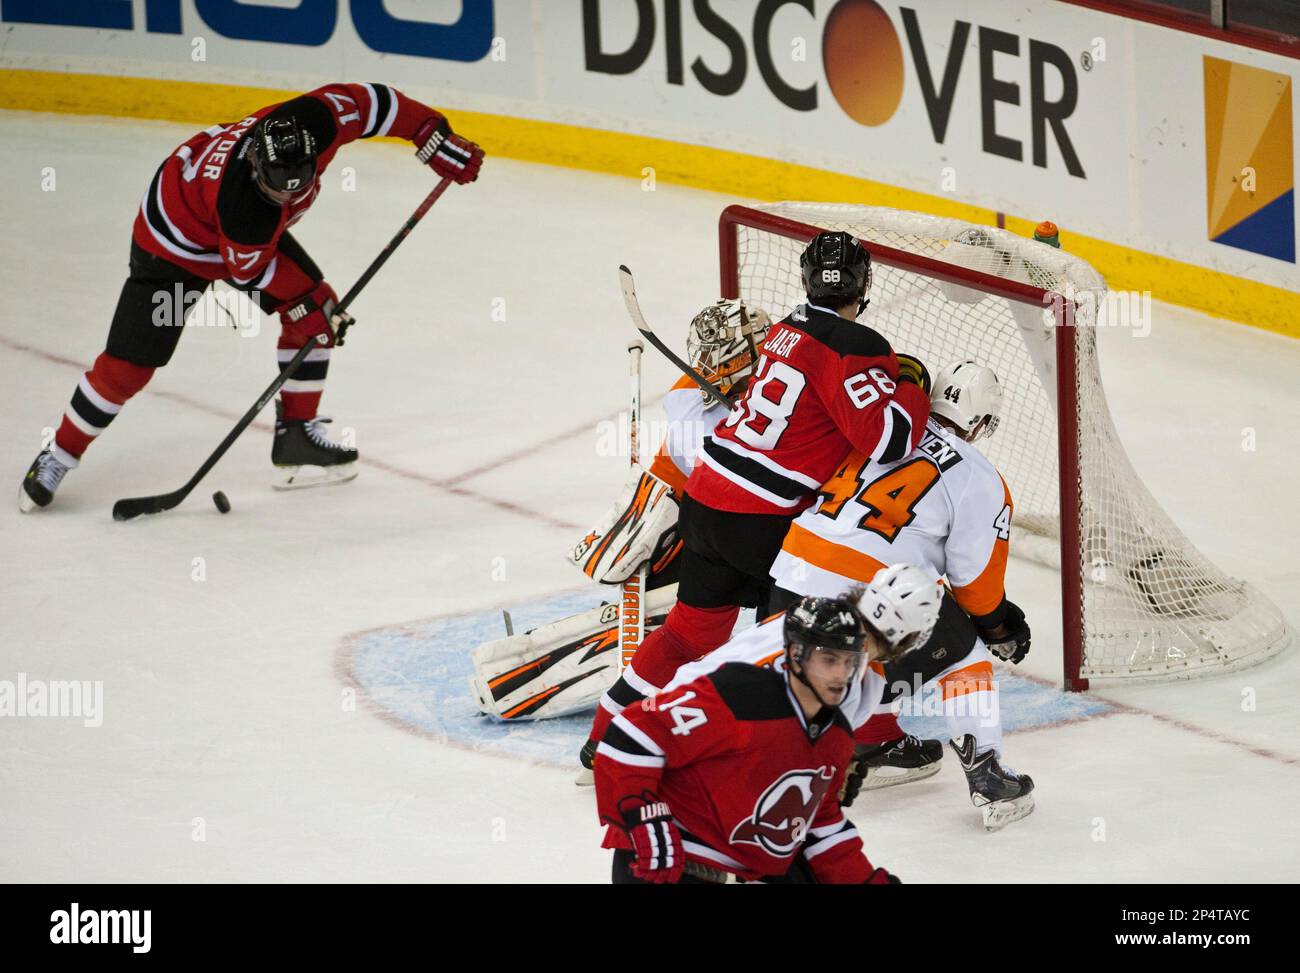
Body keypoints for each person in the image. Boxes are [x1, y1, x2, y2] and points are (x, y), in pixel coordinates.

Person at [20, 82, 483, 511]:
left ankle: (297, 436)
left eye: (297, 185)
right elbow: (249, 272)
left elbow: (372, 103)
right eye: (274, 189)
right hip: (175, 245)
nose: (286, 197)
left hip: (234, 230)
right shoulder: (246, 210)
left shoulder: (314, 122)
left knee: (317, 312)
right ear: (256, 166)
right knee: (131, 364)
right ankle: (59, 454)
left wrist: (431, 133)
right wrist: (306, 305)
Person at [581, 230, 932, 770]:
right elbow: (887, 441)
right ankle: (869, 740)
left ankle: (608, 731)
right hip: (765, 522)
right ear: (864, 284)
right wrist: (908, 381)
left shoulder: (782, 332)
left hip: (705, 500)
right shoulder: (857, 345)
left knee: (686, 633)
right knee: (829, 629)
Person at [769, 361, 1035, 828]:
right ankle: (988, 774)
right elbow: (974, 584)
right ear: (983, 422)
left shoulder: (882, 429)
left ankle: (872, 743)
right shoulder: (978, 474)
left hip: (786, 583)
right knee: (960, 651)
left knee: (894, 632)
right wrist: (996, 624)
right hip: (860, 597)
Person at [595, 580, 931, 883]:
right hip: (672, 855)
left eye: (851, 661)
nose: (841, 674)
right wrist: (645, 821)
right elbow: (632, 733)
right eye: (829, 660)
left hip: (740, 851)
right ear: (796, 656)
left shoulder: (836, 731)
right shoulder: (743, 693)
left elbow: (822, 825)